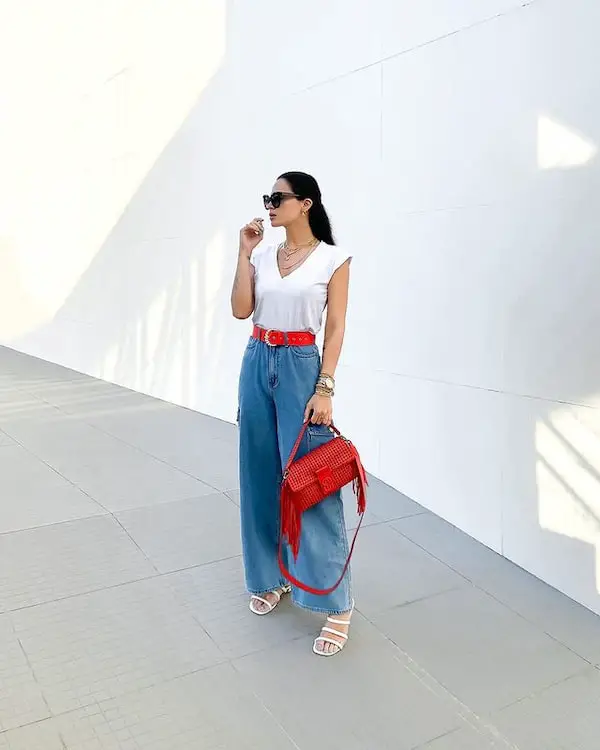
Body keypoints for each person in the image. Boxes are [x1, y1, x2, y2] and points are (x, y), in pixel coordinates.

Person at [230, 171, 354, 657]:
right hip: (257, 359)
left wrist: (325, 386)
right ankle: (270, 576)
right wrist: (243, 253)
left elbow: (337, 325)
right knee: (259, 477)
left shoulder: (332, 258)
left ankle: (335, 602)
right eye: (268, 198)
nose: (270, 205)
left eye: (277, 198)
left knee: (310, 481)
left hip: (302, 365)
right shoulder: (262, 254)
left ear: (304, 204)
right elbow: (242, 309)